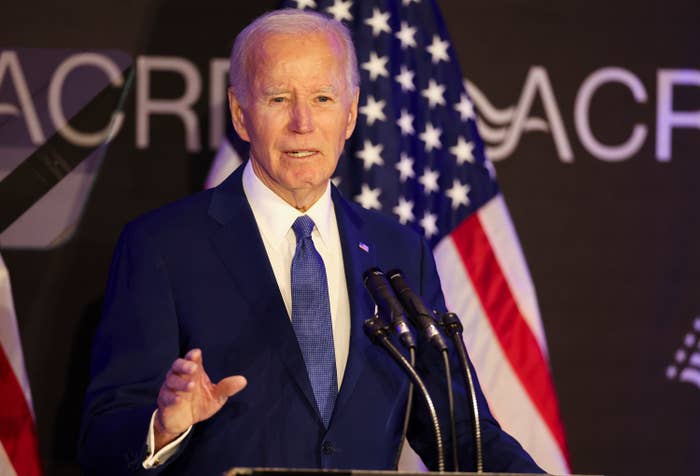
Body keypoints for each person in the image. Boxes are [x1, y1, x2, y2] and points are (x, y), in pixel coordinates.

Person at [79, 9, 544, 475]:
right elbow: (103, 441)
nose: (302, 123)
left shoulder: (400, 251)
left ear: (351, 113)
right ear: (241, 116)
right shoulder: (162, 246)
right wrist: (164, 427)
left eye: (323, 98)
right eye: (279, 99)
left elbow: (460, 431)